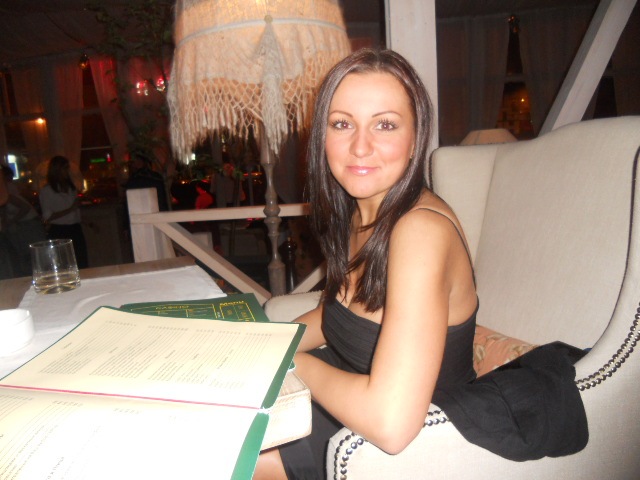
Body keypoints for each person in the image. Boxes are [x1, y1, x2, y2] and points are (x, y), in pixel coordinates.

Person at [254, 49, 478, 479]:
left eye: (385, 124)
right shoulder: (360, 211)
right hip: (348, 397)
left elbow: (391, 426)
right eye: (342, 124)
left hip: (419, 437)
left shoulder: (421, 231)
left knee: (220, 460)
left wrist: (289, 363)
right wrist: (263, 344)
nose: (360, 146)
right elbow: (336, 315)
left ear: (416, 138)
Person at [39, 155, 89, 268]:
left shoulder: (71, 188)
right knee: (64, 263)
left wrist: (87, 222)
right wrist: (70, 209)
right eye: (64, 168)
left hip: (75, 228)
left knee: (81, 261)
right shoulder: (47, 191)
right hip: (59, 230)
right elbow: (47, 216)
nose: (67, 171)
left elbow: (76, 212)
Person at [0, 165, 46, 276]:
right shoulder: (10, 187)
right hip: (25, 224)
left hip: (29, 224)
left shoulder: (9, 189)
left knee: (30, 255)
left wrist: (11, 221)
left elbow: (24, 207)